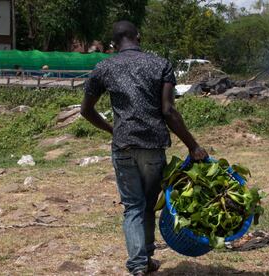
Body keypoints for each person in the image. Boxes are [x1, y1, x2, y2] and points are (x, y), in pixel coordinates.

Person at [80, 21, 208, 276]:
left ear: (113, 43)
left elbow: (86, 110)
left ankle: (140, 264)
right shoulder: (160, 64)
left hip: (124, 145)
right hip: (152, 145)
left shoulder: (104, 67)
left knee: (133, 207)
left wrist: (112, 130)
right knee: (148, 205)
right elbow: (168, 111)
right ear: (138, 36)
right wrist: (193, 146)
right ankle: (145, 259)